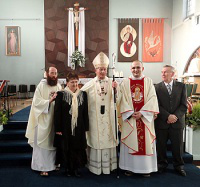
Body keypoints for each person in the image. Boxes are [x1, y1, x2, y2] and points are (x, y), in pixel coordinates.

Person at [119, 60, 159, 177]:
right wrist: (131, 113)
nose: (136, 70)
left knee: (144, 142)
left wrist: (142, 113)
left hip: (144, 119)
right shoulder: (125, 82)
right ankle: (130, 168)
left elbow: (153, 98)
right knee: (131, 140)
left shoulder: (148, 81)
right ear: (130, 69)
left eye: (138, 68)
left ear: (143, 68)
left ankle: (145, 168)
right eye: (133, 68)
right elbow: (122, 100)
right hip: (130, 118)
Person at [81, 52, 119, 175]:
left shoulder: (112, 83)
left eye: (104, 69)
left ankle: (109, 166)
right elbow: (79, 95)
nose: (102, 71)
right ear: (95, 70)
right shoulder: (90, 84)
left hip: (108, 119)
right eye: (100, 69)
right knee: (96, 140)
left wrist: (116, 89)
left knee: (108, 139)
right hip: (94, 119)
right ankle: (95, 167)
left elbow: (119, 100)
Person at [25, 67, 61, 176]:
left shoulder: (58, 86)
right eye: (52, 73)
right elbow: (36, 102)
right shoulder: (41, 86)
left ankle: (53, 165)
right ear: (47, 74)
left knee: (52, 143)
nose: (54, 75)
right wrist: (50, 100)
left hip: (54, 119)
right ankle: (42, 167)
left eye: (55, 73)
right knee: (42, 144)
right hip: (42, 119)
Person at [54, 72, 89, 177]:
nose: (74, 84)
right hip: (65, 126)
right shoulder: (61, 94)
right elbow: (57, 112)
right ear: (67, 83)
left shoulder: (83, 94)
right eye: (72, 82)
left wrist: (86, 127)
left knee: (78, 147)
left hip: (79, 126)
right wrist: (58, 128)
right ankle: (68, 169)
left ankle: (77, 168)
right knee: (67, 148)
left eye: (76, 82)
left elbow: (85, 112)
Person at [155, 65, 187, 176]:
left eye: (165, 72)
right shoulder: (156, 87)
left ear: (172, 74)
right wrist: (167, 116)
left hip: (177, 123)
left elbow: (184, 105)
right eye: (162, 72)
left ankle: (179, 166)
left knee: (177, 147)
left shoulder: (182, 86)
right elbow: (156, 105)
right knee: (161, 146)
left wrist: (175, 116)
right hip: (162, 122)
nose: (163, 74)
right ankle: (161, 165)